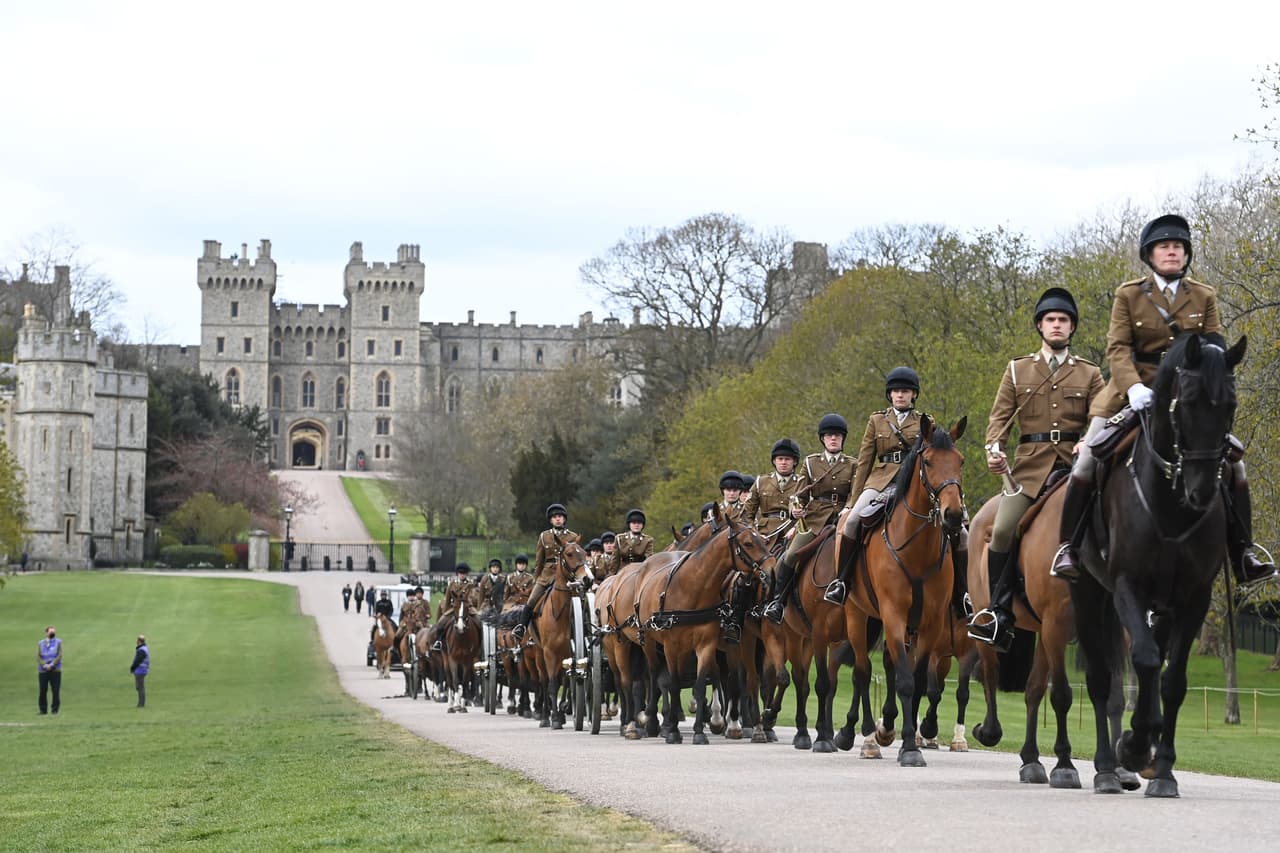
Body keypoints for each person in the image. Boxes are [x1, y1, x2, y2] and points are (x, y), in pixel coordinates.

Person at [1051, 214, 1277, 587]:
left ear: (1186, 254)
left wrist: (1212, 375)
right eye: (1164, 246)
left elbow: (1215, 345)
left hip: (1188, 396)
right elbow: (1118, 348)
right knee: (1086, 461)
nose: (1172, 252)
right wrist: (1134, 387)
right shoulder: (1130, 294)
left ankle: (1244, 554)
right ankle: (1068, 548)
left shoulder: (1203, 295)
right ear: (1150, 255)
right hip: (1130, 392)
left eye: (1178, 247)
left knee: (1236, 465)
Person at [966, 288, 1104, 649]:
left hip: (1078, 468)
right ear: (1040, 327)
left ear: (1072, 328)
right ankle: (997, 612)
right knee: (1001, 531)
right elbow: (998, 421)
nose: (1057, 325)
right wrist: (994, 450)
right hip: (1030, 470)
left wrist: (1088, 439)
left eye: (1063, 320)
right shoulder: (1017, 369)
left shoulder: (1089, 373)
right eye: (1051, 320)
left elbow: (1102, 415)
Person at [827, 367, 928, 604]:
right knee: (852, 521)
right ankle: (841, 582)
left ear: (914, 395)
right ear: (889, 395)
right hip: (881, 480)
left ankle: (961, 592)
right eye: (895, 391)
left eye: (905, 391)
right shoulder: (877, 420)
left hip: (913, 481)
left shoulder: (925, 421)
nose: (900, 395)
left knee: (950, 526)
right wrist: (852, 501)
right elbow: (864, 462)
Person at [763, 415, 854, 623]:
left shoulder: (853, 464)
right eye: (830, 436)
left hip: (842, 517)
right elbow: (798, 494)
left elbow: (855, 492)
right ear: (823, 439)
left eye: (837, 436)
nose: (833, 439)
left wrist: (848, 507)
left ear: (843, 439)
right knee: (791, 555)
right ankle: (777, 602)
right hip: (815, 519)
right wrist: (795, 509)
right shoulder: (811, 463)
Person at [513, 504, 581, 639]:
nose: (558, 519)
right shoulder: (544, 537)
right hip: (546, 575)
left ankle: (582, 628)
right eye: (555, 517)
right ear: (551, 520)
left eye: (560, 517)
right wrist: (536, 579)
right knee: (532, 601)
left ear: (564, 519)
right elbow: (539, 561)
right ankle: (522, 627)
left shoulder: (573, 537)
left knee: (580, 601)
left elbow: (577, 560)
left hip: (567, 575)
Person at [38, 625, 62, 715]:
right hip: (43, 671)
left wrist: (52, 664)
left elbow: (59, 655)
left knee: (56, 690)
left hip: (55, 670)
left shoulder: (58, 642)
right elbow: (38, 656)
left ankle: (55, 710)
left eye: (53, 632)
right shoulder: (40, 643)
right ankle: (43, 710)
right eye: (50, 631)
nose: (52, 633)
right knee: (42, 690)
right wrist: (44, 665)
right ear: (46, 633)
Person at [130, 634, 150, 708]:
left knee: (140, 687)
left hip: (140, 670)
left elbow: (137, 660)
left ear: (139, 641)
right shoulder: (144, 648)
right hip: (142, 670)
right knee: (139, 687)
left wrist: (132, 667)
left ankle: (141, 704)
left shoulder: (141, 650)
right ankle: (141, 703)